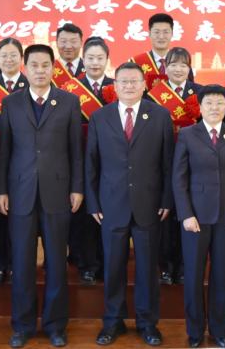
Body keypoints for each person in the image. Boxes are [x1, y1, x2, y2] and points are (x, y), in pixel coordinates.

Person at [0, 44, 84, 348]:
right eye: (34, 65)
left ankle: (55, 325)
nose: (39, 70)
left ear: (53, 68)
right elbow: (5, 151)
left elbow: (76, 150)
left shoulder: (69, 101)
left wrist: (77, 187)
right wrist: (2, 190)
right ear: (25, 68)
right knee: (22, 262)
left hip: (58, 191)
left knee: (57, 262)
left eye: (45, 65)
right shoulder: (10, 102)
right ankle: (22, 326)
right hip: (20, 192)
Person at [85, 62, 174, 347]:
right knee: (113, 267)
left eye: (134, 81)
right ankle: (113, 321)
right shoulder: (100, 117)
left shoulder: (160, 115)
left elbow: (168, 164)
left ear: (144, 85)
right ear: (114, 86)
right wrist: (93, 202)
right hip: (111, 204)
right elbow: (91, 163)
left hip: (149, 204)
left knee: (147, 268)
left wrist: (166, 199)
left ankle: (148, 323)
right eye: (123, 81)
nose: (129, 86)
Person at [173, 84, 225, 348]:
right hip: (195, 218)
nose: (214, 108)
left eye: (219, 103)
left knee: (221, 276)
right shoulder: (187, 134)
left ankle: (219, 330)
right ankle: (195, 331)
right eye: (209, 103)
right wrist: (186, 214)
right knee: (193, 276)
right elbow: (179, 178)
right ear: (200, 107)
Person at [151, 46, 203, 285]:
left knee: (188, 213)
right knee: (165, 215)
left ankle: (184, 266)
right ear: (165, 67)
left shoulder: (200, 93)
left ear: (190, 68)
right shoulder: (153, 94)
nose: (178, 69)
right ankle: (165, 267)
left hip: (193, 163)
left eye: (183, 65)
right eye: (173, 64)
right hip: (162, 160)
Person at [0, 37, 29, 283]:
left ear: (21, 59)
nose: (8, 60)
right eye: (4, 56)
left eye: (13, 55)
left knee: (20, 215)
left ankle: (17, 263)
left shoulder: (31, 85)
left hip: (23, 160)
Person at [68, 37, 113, 284]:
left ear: (107, 60)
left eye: (100, 58)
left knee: (107, 212)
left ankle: (106, 263)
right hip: (79, 157)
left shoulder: (118, 86)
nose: (95, 63)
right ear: (83, 59)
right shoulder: (70, 89)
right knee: (84, 214)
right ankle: (86, 264)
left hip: (109, 161)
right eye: (90, 58)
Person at [129, 13, 194, 87]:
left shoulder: (183, 61)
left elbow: (190, 89)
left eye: (166, 32)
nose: (161, 36)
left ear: (172, 34)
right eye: (156, 32)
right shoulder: (136, 62)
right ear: (149, 33)